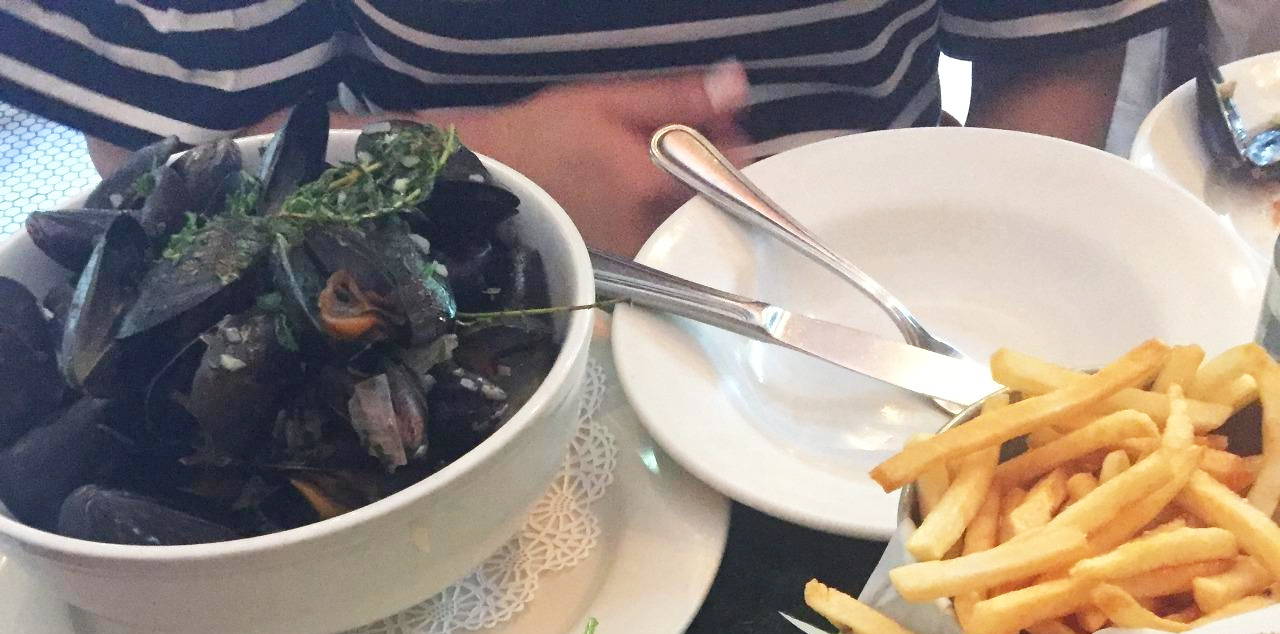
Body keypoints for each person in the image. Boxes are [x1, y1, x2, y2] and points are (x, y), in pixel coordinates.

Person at [0, 0, 1175, 255]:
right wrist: (470, 173)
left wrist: (991, 270)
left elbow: (1051, 44)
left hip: (885, 289)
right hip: (444, 310)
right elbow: (174, 140)